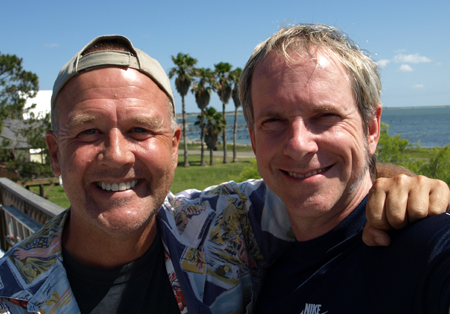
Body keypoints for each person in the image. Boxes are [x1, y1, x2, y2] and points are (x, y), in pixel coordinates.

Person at [0, 34, 448, 314]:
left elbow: (324, 188)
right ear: (55, 154)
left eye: (140, 129)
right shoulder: (10, 290)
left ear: (174, 145)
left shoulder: (222, 223)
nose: (116, 155)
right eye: (87, 132)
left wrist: (392, 183)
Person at [236, 24, 450, 313]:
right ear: (253, 138)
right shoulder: (268, 278)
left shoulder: (421, 244)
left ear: (371, 129)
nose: (299, 144)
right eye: (273, 121)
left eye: (325, 115)